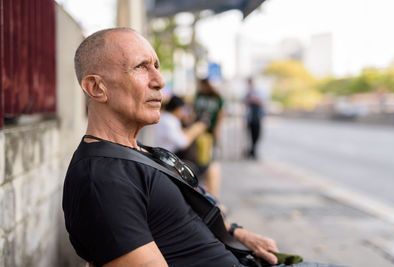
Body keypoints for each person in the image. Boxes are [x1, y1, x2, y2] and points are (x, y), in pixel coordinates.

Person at [63, 27, 345, 267]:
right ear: (97, 88)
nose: (159, 81)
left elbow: (178, 221)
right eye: (141, 67)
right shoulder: (101, 180)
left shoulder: (139, 153)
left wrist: (235, 232)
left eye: (156, 66)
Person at [154, 95, 221, 198]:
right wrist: (196, 129)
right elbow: (183, 142)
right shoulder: (169, 120)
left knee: (211, 168)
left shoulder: (167, 118)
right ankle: (214, 201)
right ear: (178, 109)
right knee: (213, 168)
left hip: (173, 158)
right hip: (171, 161)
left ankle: (213, 201)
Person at [245, 78, 265, 159]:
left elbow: (262, 102)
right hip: (250, 118)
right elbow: (245, 102)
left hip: (257, 118)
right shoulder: (248, 93)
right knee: (250, 136)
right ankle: (251, 152)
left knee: (257, 135)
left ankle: (253, 151)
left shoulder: (258, 92)